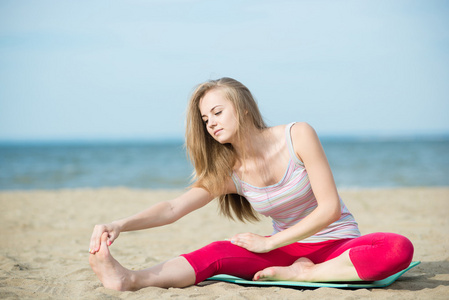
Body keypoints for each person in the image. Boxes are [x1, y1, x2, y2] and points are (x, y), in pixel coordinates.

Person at [88, 77, 414, 291]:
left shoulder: (297, 135)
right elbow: (173, 208)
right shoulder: (228, 170)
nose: (211, 123)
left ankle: (309, 272)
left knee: (397, 248)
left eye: (217, 112)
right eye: (205, 119)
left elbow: (329, 210)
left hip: (337, 246)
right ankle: (131, 280)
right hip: (285, 252)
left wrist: (270, 244)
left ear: (242, 108)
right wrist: (120, 224)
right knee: (216, 252)